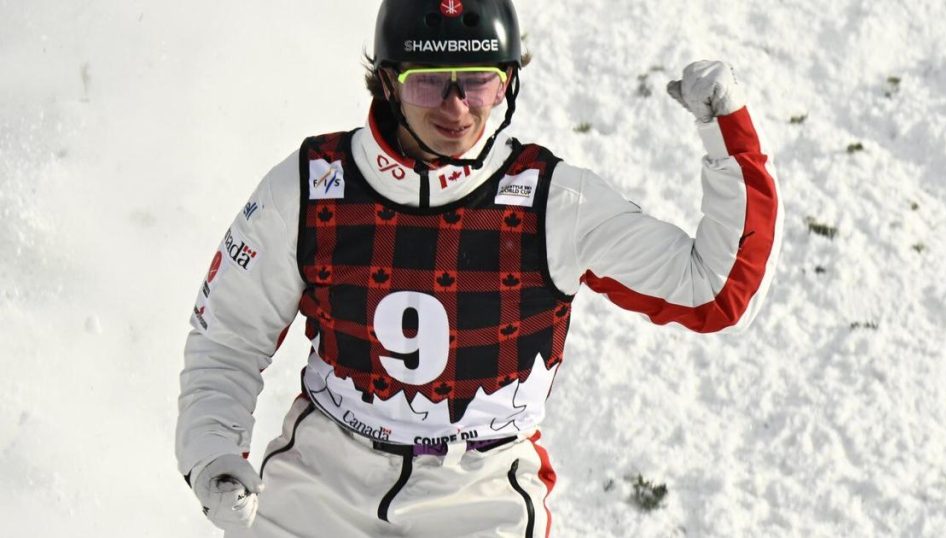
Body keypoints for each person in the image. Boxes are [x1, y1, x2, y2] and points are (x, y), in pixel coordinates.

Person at [176, 0, 783, 536]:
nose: (457, 108)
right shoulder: (311, 186)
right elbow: (227, 339)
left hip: (479, 492)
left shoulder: (553, 202)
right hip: (321, 480)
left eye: (478, 82)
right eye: (427, 84)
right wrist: (213, 452)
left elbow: (715, 292)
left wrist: (727, 135)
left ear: (507, 83)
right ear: (387, 82)